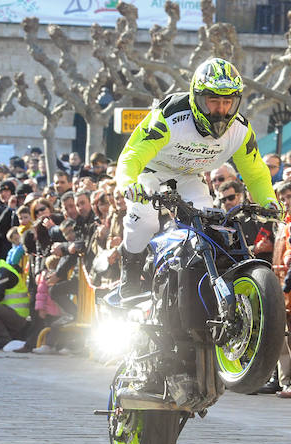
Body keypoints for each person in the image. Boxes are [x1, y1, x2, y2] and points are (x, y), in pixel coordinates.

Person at [114, 57, 279, 297]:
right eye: (213, 101)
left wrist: (268, 201)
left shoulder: (241, 130)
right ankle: (129, 270)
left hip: (190, 176)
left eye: (227, 102)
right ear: (197, 98)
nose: (221, 110)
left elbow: (256, 172)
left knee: (209, 230)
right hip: (150, 173)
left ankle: (195, 290)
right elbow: (132, 155)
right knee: (147, 220)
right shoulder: (170, 116)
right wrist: (128, 183)